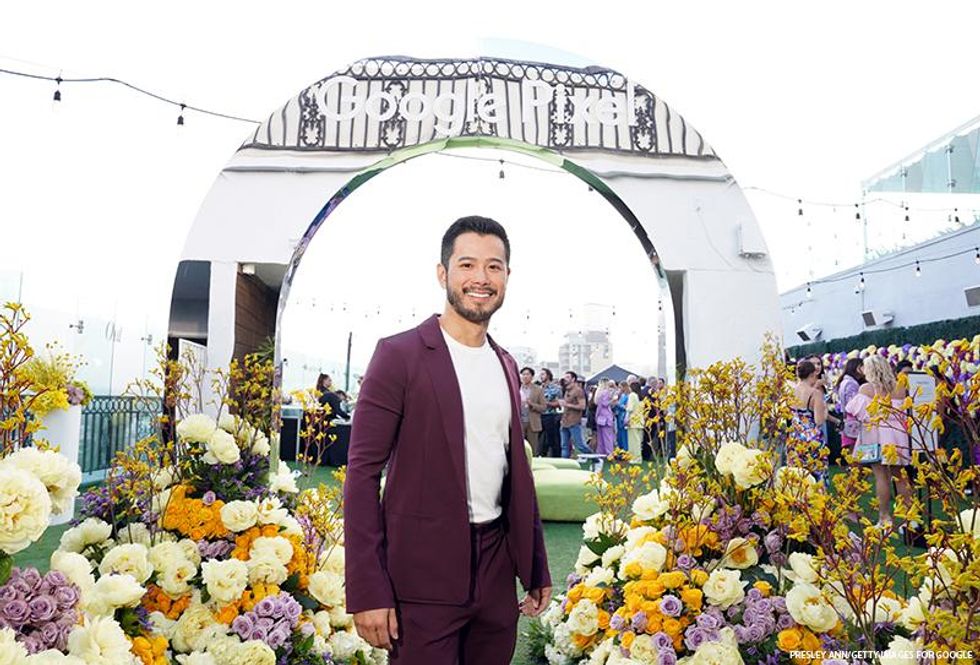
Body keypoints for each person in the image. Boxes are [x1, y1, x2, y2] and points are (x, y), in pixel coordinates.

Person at [344, 216, 551, 664]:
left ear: (507, 276)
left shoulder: (506, 363)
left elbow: (516, 471)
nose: (481, 278)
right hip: (421, 575)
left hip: (496, 571)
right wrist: (367, 588)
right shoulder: (398, 355)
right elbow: (361, 474)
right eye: (467, 264)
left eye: (494, 266)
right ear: (443, 273)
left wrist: (535, 564)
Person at [846, 355, 912, 527]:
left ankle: (884, 517)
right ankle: (909, 519)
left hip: (875, 435)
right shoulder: (900, 387)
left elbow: (857, 412)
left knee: (881, 476)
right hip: (898, 435)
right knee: (900, 476)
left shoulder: (867, 388)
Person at [788, 360, 828, 482]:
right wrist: (825, 409)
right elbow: (819, 420)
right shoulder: (815, 394)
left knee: (797, 476)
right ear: (812, 374)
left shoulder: (790, 391)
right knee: (816, 475)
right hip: (812, 437)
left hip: (795, 436)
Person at [835, 358, 864, 455]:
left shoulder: (845, 382)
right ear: (858, 368)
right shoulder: (851, 383)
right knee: (856, 453)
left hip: (848, 421)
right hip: (853, 422)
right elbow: (852, 405)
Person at [560, 371, 588, 458]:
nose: (565, 379)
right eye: (565, 377)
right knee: (564, 445)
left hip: (574, 422)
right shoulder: (567, 390)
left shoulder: (578, 391)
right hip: (565, 421)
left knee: (580, 445)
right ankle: (565, 463)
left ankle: (596, 459)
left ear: (573, 379)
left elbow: (582, 406)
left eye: (568, 377)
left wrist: (567, 405)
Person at [519, 366, 547, 453]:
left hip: (533, 423)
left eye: (527, 374)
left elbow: (543, 407)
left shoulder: (538, 390)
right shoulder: (517, 388)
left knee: (532, 448)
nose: (525, 376)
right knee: (519, 448)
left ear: (532, 377)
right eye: (523, 374)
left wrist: (531, 404)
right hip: (520, 422)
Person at [537, 368, 562, 457]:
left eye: (543, 374)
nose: (541, 376)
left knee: (552, 438)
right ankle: (541, 455)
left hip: (551, 415)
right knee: (540, 438)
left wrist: (546, 403)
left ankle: (556, 456)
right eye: (540, 374)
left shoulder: (556, 388)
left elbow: (559, 403)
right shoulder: (538, 388)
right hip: (539, 415)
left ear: (548, 375)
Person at [594, 379, 617, 456]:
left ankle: (601, 453)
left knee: (600, 437)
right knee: (608, 436)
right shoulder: (606, 392)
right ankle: (609, 453)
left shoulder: (598, 393)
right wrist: (612, 401)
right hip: (607, 416)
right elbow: (605, 403)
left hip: (600, 416)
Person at [625, 382, 644, 464]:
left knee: (633, 441)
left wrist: (626, 418)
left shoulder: (632, 395)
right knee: (638, 441)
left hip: (633, 420)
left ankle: (635, 458)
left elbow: (630, 408)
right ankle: (637, 457)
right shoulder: (640, 396)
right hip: (640, 420)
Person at [614, 381, 630, 451]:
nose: (619, 389)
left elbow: (626, 407)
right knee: (619, 434)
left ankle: (625, 449)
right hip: (619, 416)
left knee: (624, 435)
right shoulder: (622, 395)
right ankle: (620, 448)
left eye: (620, 387)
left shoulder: (628, 396)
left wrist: (618, 404)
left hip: (623, 416)